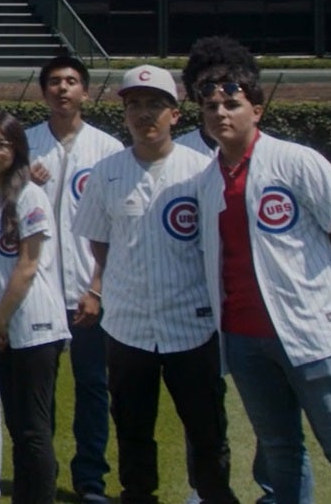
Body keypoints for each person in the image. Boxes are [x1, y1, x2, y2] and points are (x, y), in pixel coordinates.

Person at [187, 36, 331, 504]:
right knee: (280, 450)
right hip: (244, 339)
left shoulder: (297, 161)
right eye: (210, 106)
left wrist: (326, 287)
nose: (220, 113)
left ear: (257, 109)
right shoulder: (205, 179)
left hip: (313, 334)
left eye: (231, 103)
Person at [75, 65, 237, 504]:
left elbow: (217, 244)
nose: (144, 114)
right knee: (132, 430)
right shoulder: (105, 173)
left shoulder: (201, 171)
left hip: (192, 323)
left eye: (154, 105)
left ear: (175, 114)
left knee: (206, 430)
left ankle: (213, 496)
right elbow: (99, 241)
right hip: (128, 326)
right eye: (134, 105)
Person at [25, 54, 120, 504]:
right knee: (39, 393)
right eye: (55, 82)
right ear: (43, 92)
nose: (63, 89)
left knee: (93, 387)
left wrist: (97, 287)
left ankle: (90, 479)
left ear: (85, 90)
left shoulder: (108, 149)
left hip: (89, 292)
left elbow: (119, 227)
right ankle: (40, 475)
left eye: (72, 81)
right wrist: (19, 180)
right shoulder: (22, 145)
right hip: (37, 291)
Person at [0, 113, 67, 504]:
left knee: (34, 429)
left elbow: (28, 265)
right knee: (19, 426)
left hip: (33, 326)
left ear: (17, 150)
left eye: (1, 145)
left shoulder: (29, 195)